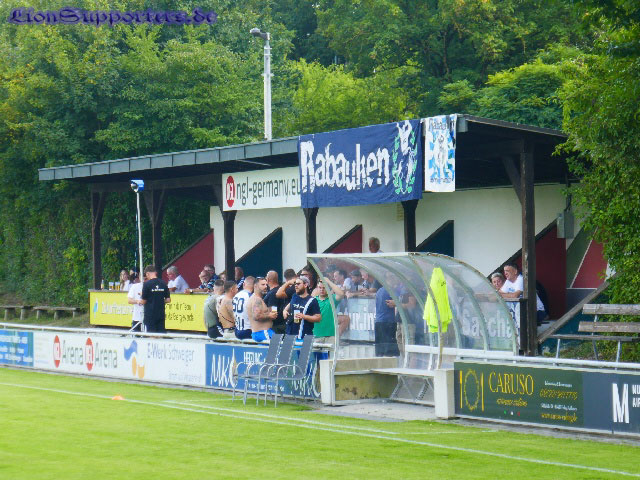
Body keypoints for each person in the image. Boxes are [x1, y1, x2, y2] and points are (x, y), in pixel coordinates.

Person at [313, 277, 345, 351]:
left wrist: (329, 282)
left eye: (324, 288)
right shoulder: (313, 300)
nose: (322, 290)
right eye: (320, 288)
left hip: (330, 336)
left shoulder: (332, 299)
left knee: (330, 357)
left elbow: (341, 294)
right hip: (316, 336)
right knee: (316, 357)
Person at [140, 265, 171, 333]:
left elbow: (143, 301)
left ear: (147, 273)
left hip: (150, 314)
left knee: (152, 335)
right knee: (160, 334)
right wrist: (159, 300)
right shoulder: (163, 283)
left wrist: (139, 300)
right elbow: (168, 300)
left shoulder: (146, 284)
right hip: (160, 313)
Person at [247, 277, 278, 342]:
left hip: (261, 333)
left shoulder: (255, 298)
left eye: (266, 284)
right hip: (262, 333)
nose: (265, 287)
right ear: (255, 286)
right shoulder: (257, 299)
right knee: (275, 347)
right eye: (263, 285)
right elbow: (256, 316)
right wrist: (269, 315)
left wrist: (268, 310)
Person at [374, 282, 399, 357]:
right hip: (388, 321)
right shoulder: (391, 291)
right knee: (389, 349)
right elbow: (395, 303)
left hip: (379, 321)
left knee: (380, 350)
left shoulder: (379, 290)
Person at [263, 270, 286, 334]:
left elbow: (273, 312)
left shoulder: (272, 293)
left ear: (267, 280)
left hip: (275, 327)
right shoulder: (279, 290)